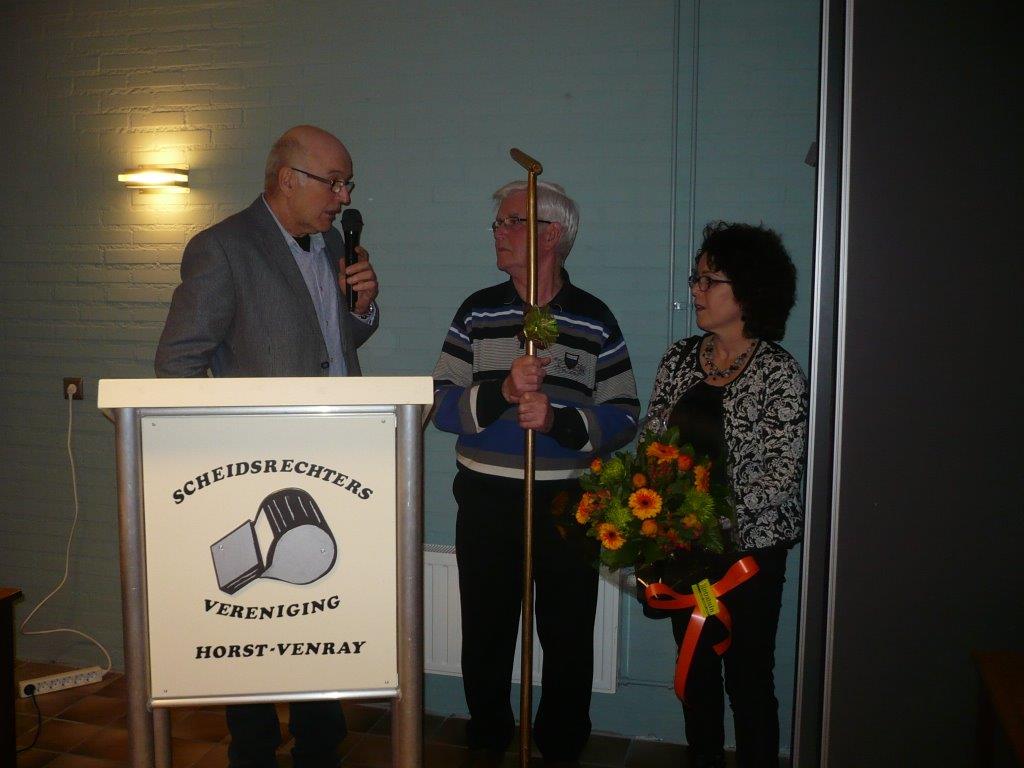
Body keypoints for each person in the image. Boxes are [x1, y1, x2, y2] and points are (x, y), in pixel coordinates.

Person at [155, 125, 379, 768]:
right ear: (288, 179)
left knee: (319, 604)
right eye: (333, 182)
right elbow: (178, 361)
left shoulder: (332, 243)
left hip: (335, 458)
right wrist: (215, 456)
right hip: (252, 467)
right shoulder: (222, 247)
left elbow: (332, 345)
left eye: (346, 184)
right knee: (253, 612)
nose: (343, 196)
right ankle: (252, 748)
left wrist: (362, 308)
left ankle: (320, 742)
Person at [432, 180, 639, 764]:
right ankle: (489, 737)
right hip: (487, 498)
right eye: (498, 223)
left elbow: (626, 413)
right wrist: (500, 392)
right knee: (486, 630)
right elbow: (439, 404)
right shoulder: (477, 311)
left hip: (568, 503)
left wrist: (559, 421)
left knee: (568, 632)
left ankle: (562, 742)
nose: (497, 232)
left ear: (550, 235)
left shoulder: (594, 318)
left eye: (510, 222)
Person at [644, 221, 808, 768]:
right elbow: (652, 443)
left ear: (749, 291)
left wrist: (709, 517)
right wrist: (657, 512)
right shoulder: (678, 359)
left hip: (746, 559)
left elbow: (779, 475)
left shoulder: (779, 374)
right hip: (685, 551)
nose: (696, 289)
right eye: (696, 278)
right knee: (695, 672)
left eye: (709, 280)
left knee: (748, 678)